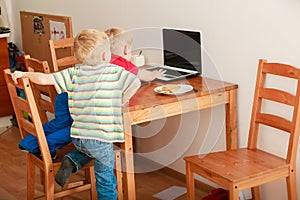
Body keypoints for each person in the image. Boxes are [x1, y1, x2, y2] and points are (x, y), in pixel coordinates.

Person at [12, 29, 141, 200]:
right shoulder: (113, 72)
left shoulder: (73, 72)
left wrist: (24, 73)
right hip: (100, 138)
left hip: (78, 137)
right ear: (104, 55)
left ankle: (72, 161)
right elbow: (135, 82)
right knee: (106, 181)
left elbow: (45, 78)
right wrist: (121, 99)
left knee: (90, 150)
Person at [54, 27, 166, 186]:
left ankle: (72, 160)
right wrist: (156, 75)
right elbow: (139, 79)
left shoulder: (92, 65)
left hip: (80, 122)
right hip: (99, 128)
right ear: (127, 50)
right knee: (105, 176)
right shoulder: (122, 65)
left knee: (93, 147)